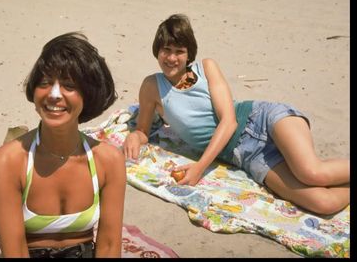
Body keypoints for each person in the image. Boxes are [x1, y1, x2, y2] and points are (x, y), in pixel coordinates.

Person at [123, 14, 349, 215]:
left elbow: (229, 121)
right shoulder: (152, 86)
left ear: (189, 53)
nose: (171, 58)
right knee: (323, 203)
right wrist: (135, 135)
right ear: (157, 50)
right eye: (166, 50)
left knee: (312, 173)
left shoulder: (206, 67)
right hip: (247, 156)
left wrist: (200, 167)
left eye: (179, 51)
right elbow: (143, 129)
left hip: (262, 120)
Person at [0, 32, 126, 258]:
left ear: (87, 95)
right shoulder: (8, 162)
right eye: (45, 83)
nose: (53, 95)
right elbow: (15, 252)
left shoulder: (108, 161)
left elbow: (109, 247)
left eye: (69, 85)